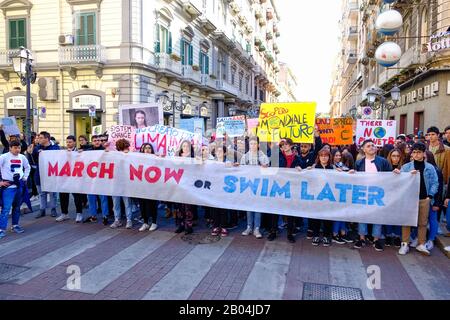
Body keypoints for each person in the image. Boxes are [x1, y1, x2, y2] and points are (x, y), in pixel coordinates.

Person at [396, 143, 438, 256]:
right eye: (414, 152)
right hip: (409, 199)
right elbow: (400, 182)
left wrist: (430, 196)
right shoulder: (406, 167)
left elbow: (435, 182)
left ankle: (421, 244)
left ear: (424, 153)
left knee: (423, 223)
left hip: (424, 199)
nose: (416, 154)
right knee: (407, 221)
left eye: (419, 152)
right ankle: (404, 243)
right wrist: (407, 175)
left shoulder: (430, 167)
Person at [354, 139, 392, 252]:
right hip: (363, 192)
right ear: (363, 149)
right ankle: (362, 238)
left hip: (378, 194)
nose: (372, 147)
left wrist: (395, 173)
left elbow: (390, 176)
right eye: (369, 146)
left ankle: (376, 239)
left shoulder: (383, 162)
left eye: (373, 145)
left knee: (378, 216)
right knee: (362, 216)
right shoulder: (359, 163)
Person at [267, 138, 301, 243]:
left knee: (290, 211)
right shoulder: (278, 156)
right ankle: (273, 231)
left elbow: (305, 168)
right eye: (282, 145)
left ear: (291, 145)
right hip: (278, 187)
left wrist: (301, 168)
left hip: (291, 189)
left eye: (286, 144)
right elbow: (269, 155)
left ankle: (290, 233)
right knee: (275, 210)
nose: (284, 146)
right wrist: (277, 143)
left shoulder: (297, 158)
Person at [240, 137, 270, 239]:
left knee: (258, 207)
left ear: (258, 145)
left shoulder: (262, 156)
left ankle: (257, 228)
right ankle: (249, 226)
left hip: (259, 185)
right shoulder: (245, 156)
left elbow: (267, 169)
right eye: (251, 143)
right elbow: (241, 170)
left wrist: (266, 167)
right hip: (248, 185)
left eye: (254, 143)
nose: (252, 145)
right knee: (249, 207)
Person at [0, 141, 30, 239]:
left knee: (17, 207)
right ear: (10, 148)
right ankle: (2, 229)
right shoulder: (3, 157)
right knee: (6, 209)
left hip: (19, 186)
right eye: (15, 148)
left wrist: (25, 177)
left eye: (19, 148)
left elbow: (27, 167)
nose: (18, 150)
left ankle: (15, 225)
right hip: (8, 187)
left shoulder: (22, 157)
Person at [306, 148, 335, 246]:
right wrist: (304, 170)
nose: (323, 157)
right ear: (318, 157)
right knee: (316, 217)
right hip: (317, 197)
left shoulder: (333, 168)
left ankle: (327, 236)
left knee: (328, 218)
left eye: (326, 155)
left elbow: (344, 175)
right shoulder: (314, 168)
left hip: (329, 197)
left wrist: (349, 172)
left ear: (329, 157)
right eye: (321, 155)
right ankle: (316, 235)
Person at [31, 131, 60, 219]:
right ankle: (42, 210)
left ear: (46, 139)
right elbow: (34, 160)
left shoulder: (55, 147)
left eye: (41, 138)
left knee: (52, 193)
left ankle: (53, 209)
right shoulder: (37, 148)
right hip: (40, 174)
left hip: (51, 175)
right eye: (38, 138)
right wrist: (32, 152)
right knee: (42, 193)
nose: (38, 139)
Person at [55, 135, 84, 222]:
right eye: (67, 142)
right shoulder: (63, 152)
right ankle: (64, 213)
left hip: (75, 177)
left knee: (77, 196)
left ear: (74, 142)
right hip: (65, 177)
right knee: (63, 195)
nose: (68, 144)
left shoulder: (79, 152)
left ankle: (79, 213)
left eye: (70, 142)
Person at [83, 135, 110, 224]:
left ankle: (105, 216)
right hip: (91, 179)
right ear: (92, 142)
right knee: (91, 198)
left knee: (103, 198)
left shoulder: (105, 150)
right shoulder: (88, 151)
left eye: (98, 140)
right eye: (95, 140)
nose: (97, 142)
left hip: (102, 178)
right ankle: (93, 216)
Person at [109, 139, 134, 229]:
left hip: (122, 182)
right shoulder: (114, 155)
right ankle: (124, 220)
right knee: (121, 203)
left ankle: (122, 220)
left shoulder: (130, 155)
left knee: (122, 203)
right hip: (117, 182)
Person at [174, 140, 195, 235]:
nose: (185, 148)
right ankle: (180, 225)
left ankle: (188, 226)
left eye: (187, 146)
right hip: (179, 184)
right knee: (179, 207)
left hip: (189, 185)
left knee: (188, 207)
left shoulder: (194, 157)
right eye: (184, 146)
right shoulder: (177, 157)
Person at [137, 143, 159, 232]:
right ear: (142, 150)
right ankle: (145, 223)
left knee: (152, 204)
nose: (147, 150)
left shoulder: (155, 159)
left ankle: (154, 222)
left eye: (149, 148)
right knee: (142, 205)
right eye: (145, 148)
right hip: (141, 186)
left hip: (152, 186)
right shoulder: (138, 159)